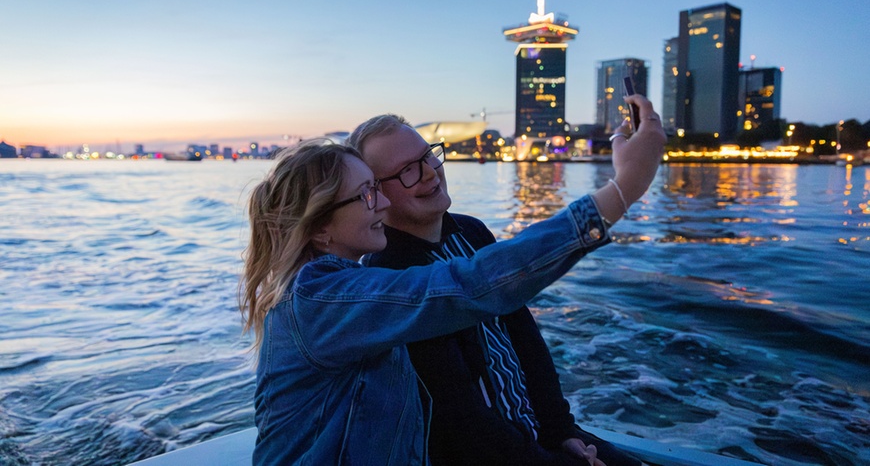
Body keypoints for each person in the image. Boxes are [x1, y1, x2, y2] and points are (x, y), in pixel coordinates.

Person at [239, 94, 665, 465]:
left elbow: (517, 337)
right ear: (319, 228)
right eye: (368, 193)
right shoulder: (322, 301)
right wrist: (624, 188)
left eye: (428, 157)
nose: (383, 202)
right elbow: (468, 289)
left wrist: (559, 430)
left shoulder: (348, 287)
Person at [348, 111, 649, 466]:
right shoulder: (390, 279)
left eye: (427, 155)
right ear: (376, 194)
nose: (430, 172)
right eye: (407, 171)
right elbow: (461, 421)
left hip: (539, 433)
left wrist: (563, 431)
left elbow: (525, 340)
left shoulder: (472, 232)